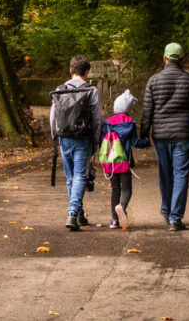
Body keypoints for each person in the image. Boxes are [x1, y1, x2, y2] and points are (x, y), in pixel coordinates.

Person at [139, 42, 189, 231]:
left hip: (161, 136)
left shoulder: (153, 81)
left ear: (164, 59)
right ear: (182, 60)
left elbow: (147, 111)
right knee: (181, 175)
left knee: (165, 174)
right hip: (185, 135)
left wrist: (144, 135)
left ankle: (167, 212)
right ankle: (175, 218)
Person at [50, 54, 102, 231]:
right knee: (80, 175)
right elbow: (97, 119)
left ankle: (79, 213)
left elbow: (53, 117)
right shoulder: (91, 91)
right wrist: (96, 140)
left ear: (70, 70)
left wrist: (55, 137)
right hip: (83, 138)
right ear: (87, 71)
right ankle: (73, 213)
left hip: (64, 137)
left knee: (71, 176)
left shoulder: (60, 89)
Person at [97, 89, 150, 230]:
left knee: (115, 189)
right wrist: (146, 141)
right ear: (128, 110)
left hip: (110, 163)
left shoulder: (106, 123)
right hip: (124, 163)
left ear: (115, 108)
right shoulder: (130, 123)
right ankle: (122, 206)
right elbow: (135, 142)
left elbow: (101, 141)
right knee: (127, 189)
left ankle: (114, 220)